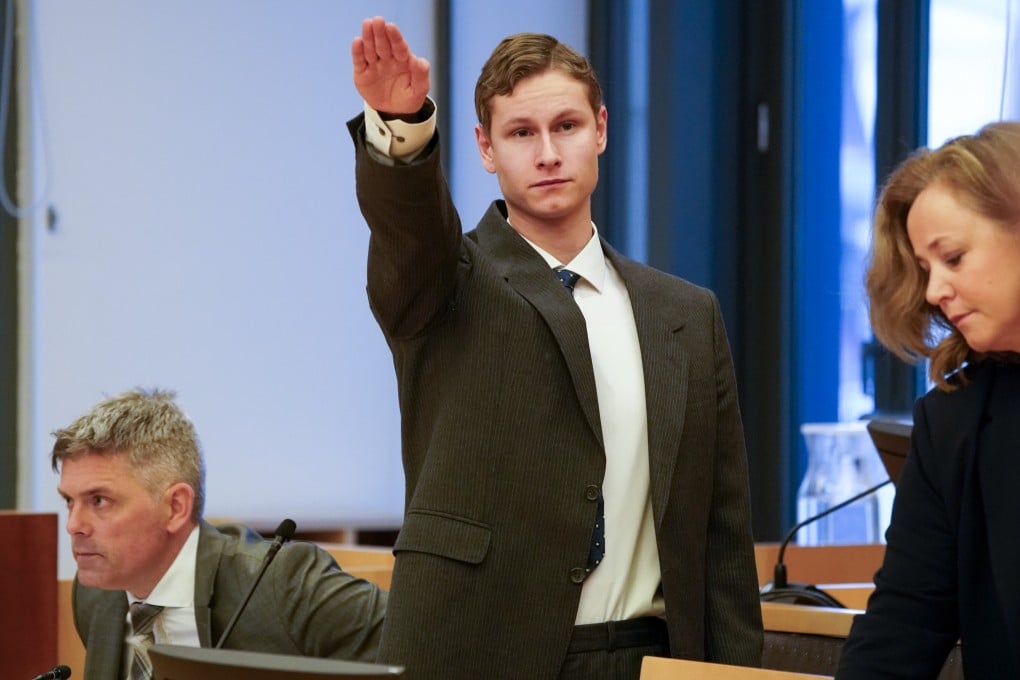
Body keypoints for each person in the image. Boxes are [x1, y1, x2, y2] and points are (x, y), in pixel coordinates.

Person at [347, 16, 762, 680]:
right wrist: (402, 127)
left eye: (566, 126)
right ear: (485, 148)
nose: (547, 153)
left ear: (601, 129)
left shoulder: (686, 315)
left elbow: (723, 537)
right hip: (485, 658)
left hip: (650, 656)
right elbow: (410, 229)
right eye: (521, 133)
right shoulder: (448, 284)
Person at [836, 121, 1020, 679]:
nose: (935, 291)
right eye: (925, 269)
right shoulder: (953, 420)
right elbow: (903, 624)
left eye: (954, 257)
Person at [53, 388, 388, 680]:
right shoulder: (95, 594)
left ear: (176, 507)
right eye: (69, 501)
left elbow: (414, 643)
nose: (73, 525)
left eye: (99, 501)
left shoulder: (282, 584)